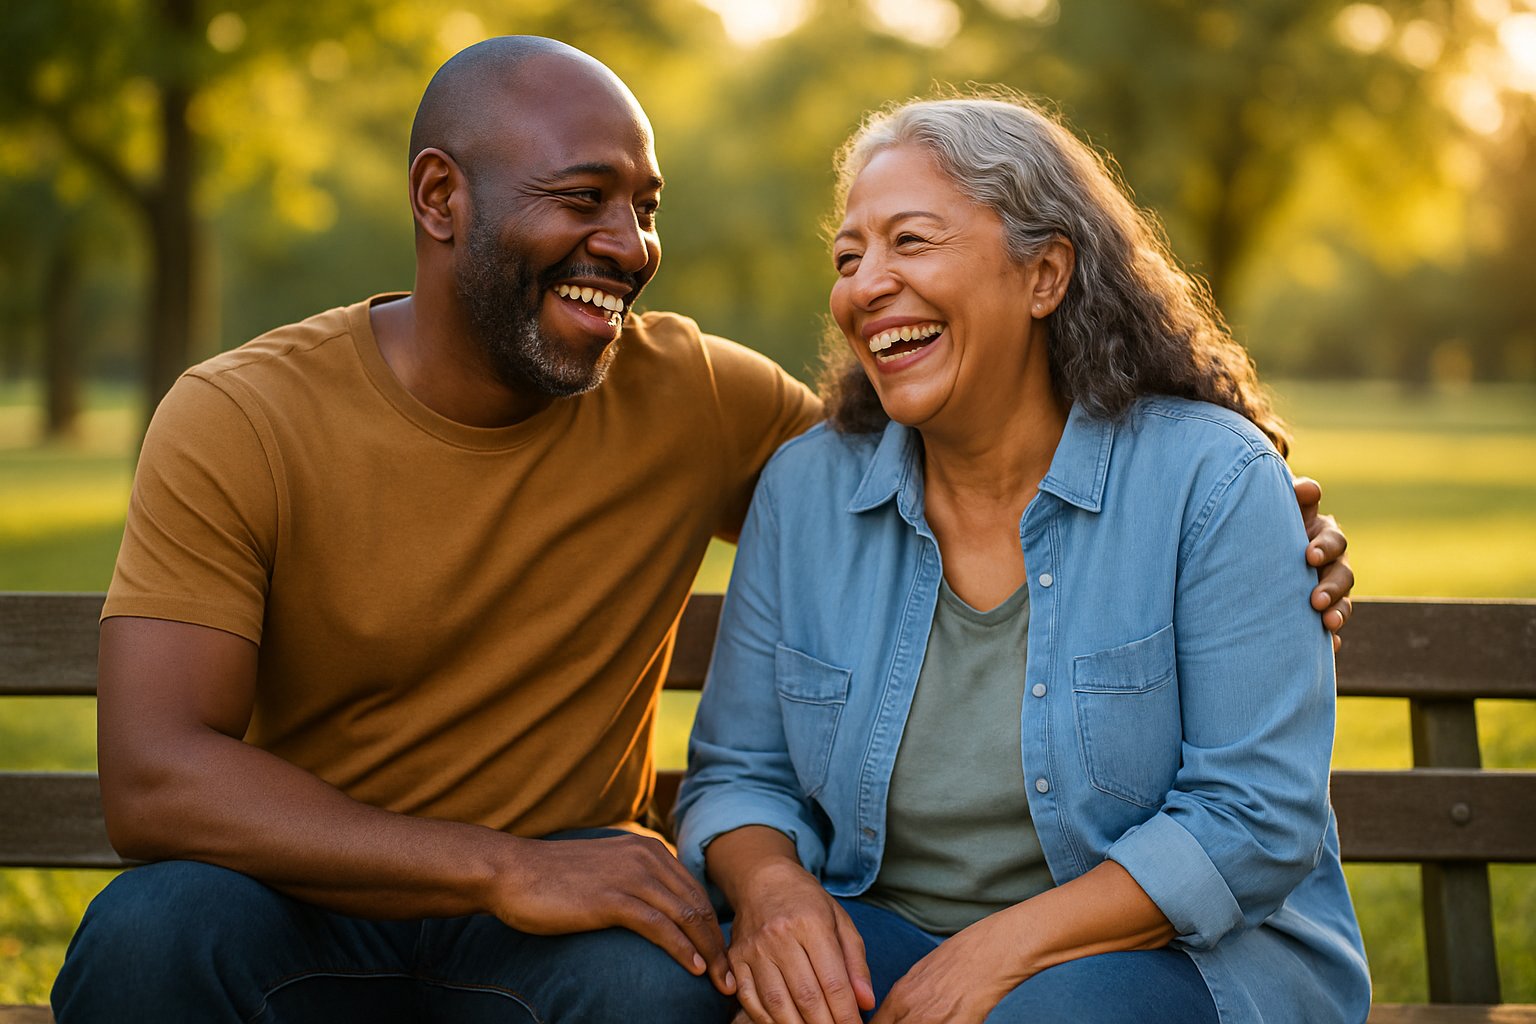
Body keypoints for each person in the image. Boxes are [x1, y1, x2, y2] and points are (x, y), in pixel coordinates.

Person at [50, 36, 1353, 1023]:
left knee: (663, 990)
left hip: (574, 918)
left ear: (1044, 269)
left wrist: (1253, 512)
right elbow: (156, 775)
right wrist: (520, 868)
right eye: (583, 199)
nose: (628, 245)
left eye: (645, 205)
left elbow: (953, 456)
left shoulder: (705, 403)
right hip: (317, 893)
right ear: (441, 199)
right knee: (149, 940)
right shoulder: (242, 415)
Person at [675, 91, 1371, 1024]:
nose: (864, 284)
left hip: (1191, 962)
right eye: (849, 257)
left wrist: (997, 955)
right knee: (709, 996)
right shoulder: (805, 492)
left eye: (911, 242)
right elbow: (738, 773)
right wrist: (773, 894)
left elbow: (1252, 817)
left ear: (1044, 275)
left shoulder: (1210, 479)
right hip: (888, 932)